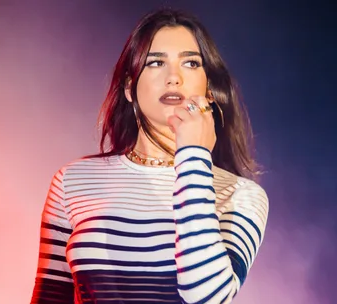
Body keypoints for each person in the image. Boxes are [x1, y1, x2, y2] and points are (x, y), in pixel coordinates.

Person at [30, 8, 269, 304]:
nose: (174, 78)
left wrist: (193, 156)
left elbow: (206, 297)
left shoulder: (241, 195)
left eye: (191, 63)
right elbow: (49, 298)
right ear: (130, 87)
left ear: (209, 89)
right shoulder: (73, 182)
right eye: (156, 62)